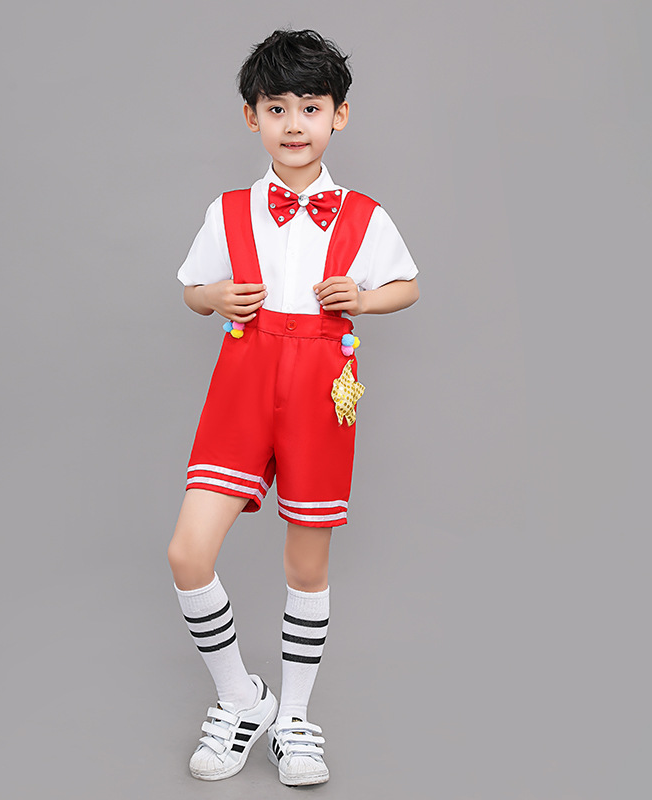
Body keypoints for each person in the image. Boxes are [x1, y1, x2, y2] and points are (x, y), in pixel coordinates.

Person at [167, 28, 419, 786]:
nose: (295, 123)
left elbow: (407, 285)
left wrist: (364, 301)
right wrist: (213, 296)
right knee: (188, 553)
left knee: (306, 563)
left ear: (339, 115)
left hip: (319, 389)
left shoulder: (364, 215)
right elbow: (192, 291)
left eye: (311, 107)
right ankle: (242, 699)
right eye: (276, 108)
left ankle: (296, 719)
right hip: (243, 381)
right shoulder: (229, 211)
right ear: (252, 118)